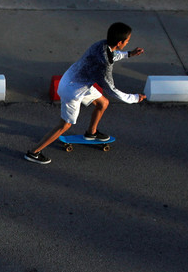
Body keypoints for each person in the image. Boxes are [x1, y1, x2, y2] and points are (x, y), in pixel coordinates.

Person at [25, 22, 146, 165]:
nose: (128, 43)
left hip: (75, 80)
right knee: (65, 125)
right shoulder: (103, 65)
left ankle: (91, 133)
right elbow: (112, 90)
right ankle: (34, 152)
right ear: (119, 42)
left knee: (103, 103)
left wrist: (129, 54)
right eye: (127, 41)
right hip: (72, 90)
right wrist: (134, 98)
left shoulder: (101, 44)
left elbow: (111, 55)